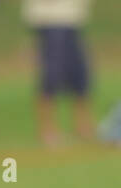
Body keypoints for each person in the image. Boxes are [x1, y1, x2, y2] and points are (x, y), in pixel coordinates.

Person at [23, 0, 95, 146]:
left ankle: (82, 127)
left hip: (73, 20)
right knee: (52, 74)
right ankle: (47, 130)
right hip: (51, 20)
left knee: (80, 73)